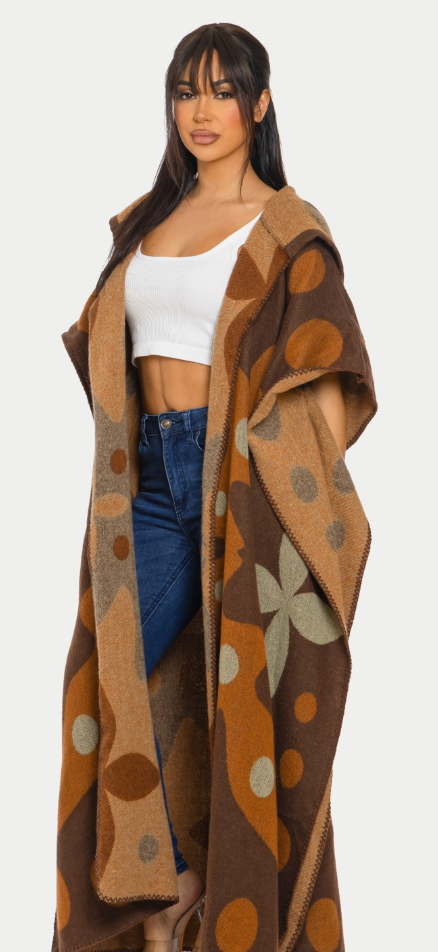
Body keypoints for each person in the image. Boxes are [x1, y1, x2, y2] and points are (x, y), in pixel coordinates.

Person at [54, 21, 377, 952]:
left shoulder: (288, 229)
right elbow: (108, 354)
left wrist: (286, 494)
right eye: (186, 91)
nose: (202, 111)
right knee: (109, 685)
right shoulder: (146, 221)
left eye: (223, 91)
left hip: (237, 479)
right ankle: (169, 887)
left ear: (259, 104)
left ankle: (210, 900)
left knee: (238, 706)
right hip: (148, 489)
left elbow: (325, 373)